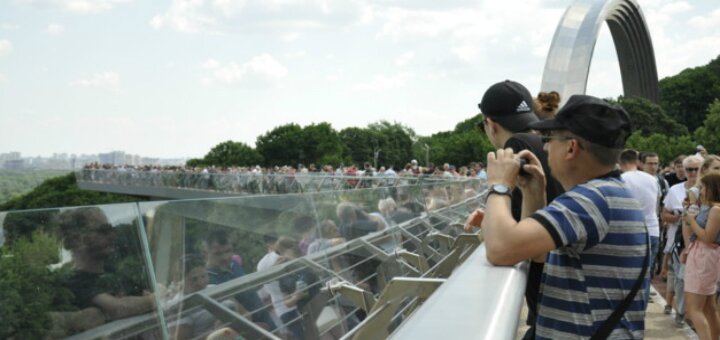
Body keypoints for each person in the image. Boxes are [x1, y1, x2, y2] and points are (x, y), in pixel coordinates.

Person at [471, 94, 647, 338]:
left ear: (571, 147)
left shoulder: (591, 199)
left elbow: (500, 250)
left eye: (549, 138)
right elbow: (538, 253)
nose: (544, 146)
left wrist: (499, 185)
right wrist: (534, 193)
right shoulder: (607, 193)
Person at [466, 80, 564, 338]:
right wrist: (494, 219)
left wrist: (497, 187)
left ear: (490, 124)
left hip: (549, 291)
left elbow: (505, 248)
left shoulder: (517, 146)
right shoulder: (543, 140)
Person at [57, 207, 156, 321]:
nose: (112, 236)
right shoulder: (74, 283)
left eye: (111, 229)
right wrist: (155, 299)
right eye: (103, 231)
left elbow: (144, 293)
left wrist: (151, 298)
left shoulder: (111, 272)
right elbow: (117, 308)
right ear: (77, 239)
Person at [660, 154, 704, 325]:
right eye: (689, 169)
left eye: (696, 169)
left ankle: (695, 315)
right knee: (681, 279)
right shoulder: (675, 190)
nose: (693, 173)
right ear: (683, 170)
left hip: (705, 242)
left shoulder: (711, 190)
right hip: (679, 242)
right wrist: (681, 218)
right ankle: (681, 313)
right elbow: (664, 214)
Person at [203, 230, 275, 329]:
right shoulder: (206, 279)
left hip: (265, 319)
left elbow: (248, 288)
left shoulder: (234, 264)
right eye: (218, 254)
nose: (225, 257)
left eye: (228, 251)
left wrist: (271, 272)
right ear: (205, 253)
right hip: (249, 330)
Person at [619, 149, 660, 307]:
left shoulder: (622, 178)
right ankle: (642, 305)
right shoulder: (652, 179)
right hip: (653, 229)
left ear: (621, 163)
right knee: (646, 273)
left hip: (631, 231)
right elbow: (656, 206)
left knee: (628, 273)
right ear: (637, 162)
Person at [682, 173, 720, 340]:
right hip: (702, 255)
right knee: (708, 307)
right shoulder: (709, 207)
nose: (701, 191)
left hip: (704, 256)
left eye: (703, 187)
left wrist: (691, 220)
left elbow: (707, 237)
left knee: (694, 308)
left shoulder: (716, 210)